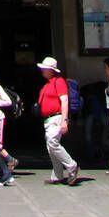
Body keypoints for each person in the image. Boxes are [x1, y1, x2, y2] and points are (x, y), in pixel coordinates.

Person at [35, 56, 78, 185]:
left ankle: (72, 166)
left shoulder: (58, 82)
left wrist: (64, 120)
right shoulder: (47, 84)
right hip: (48, 120)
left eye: (44, 68)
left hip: (56, 118)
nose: (42, 70)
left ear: (51, 70)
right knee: (50, 147)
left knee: (53, 143)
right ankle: (57, 175)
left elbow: (64, 100)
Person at [80, 80, 107, 166]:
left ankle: (93, 155)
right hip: (95, 114)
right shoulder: (98, 97)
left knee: (89, 135)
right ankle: (98, 154)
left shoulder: (89, 97)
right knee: (105, 132)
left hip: (92, 114)